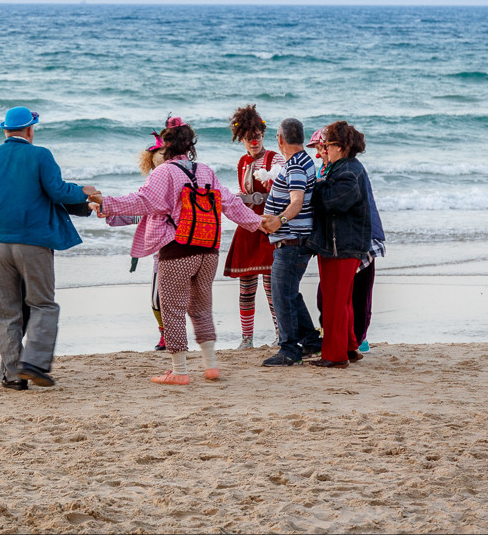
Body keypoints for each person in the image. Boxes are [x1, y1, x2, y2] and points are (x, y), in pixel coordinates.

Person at [93, 117, 263, 386]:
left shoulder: (164, 172)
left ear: (166, 146)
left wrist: (107, 202)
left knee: (172, 309)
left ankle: (179, 371)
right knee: (202, 308)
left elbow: (144, 201)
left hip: (177, 250)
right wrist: (259, 223)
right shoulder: (206, 170)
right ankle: (211, 366)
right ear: (189, 145)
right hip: (209, 248)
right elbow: (229, 202)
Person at [0, 107, 96, 390]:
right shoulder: (40, 154)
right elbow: (58, 192)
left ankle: (13, 375)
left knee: (7, 311)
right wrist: (84, 191)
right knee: (42, 304)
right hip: (33, 243)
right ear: (31, 130)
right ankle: (35, 363)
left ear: (5, 130)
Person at [305, 120, 374, 368]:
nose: (325, 148)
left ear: (341, 147)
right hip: (341, 243)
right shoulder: (345, 168)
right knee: (341, 300)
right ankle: (349, 347)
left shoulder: (347, 171)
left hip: (342, 245)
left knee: (335, 301)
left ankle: (335, 356)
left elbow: (333, 202)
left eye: (329, 145)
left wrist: (314, 189)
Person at [259, 118, 322, 367]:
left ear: (280, 139)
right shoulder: (303, 161)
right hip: (295, 239)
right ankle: (310, 341)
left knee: (281, 294)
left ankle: (288, 349)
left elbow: (296, 201)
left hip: (292, 240)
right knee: (290, 293)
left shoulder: (295, 165)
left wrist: (279, 220)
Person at [224, 105, 284, 349]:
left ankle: (281, 335)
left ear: (263, 135)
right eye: (249, 138)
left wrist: (270, 185)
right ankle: (246, 339)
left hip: (269, 226)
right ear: (243, 140)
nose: (253, 141)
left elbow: (284, 192)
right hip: (249, 226)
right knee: (246, 286)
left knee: (272, 287)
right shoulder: (242, 162)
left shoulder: (275, 159)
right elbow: (245, 193)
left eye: (257, 136)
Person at [103, 131, 169, 350]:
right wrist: (110, 212)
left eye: (164, 154)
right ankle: (165, 334)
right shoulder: (153, 187)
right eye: (157, 155)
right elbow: (140, 212)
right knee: (157, 301)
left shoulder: (172, 181)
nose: (161, 158)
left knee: (167, 300)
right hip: (161, 251)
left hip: (177, 248)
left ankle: (172, 336)